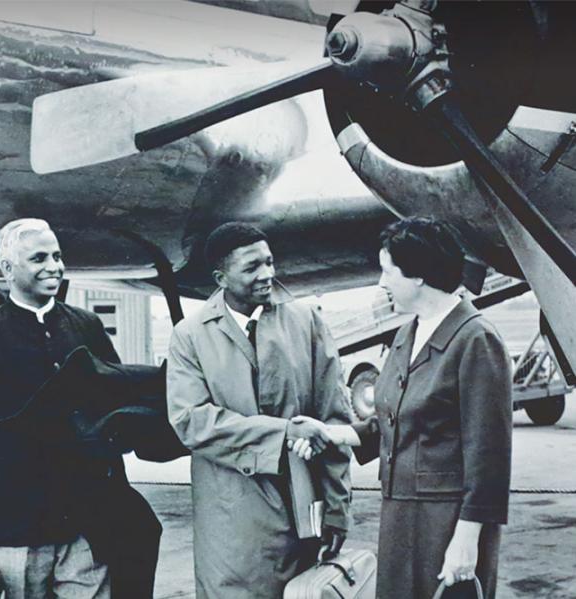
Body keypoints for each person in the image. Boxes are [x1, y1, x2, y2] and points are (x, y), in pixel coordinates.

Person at [292, 217, 513, 599]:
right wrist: (331, 433)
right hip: (400, 515)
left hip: (447, 521)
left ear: (418, 277)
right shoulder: (406, 334)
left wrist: (467, 538)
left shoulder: (476, 339)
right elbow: (394, 419)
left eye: (387, 271)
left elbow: (490, 454)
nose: (381, 282)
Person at [0, 218, 132, 599]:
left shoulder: (85, 326)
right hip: (12, 520)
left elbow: (115, 398)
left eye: (56, 255)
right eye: (39, 258)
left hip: (83, 516)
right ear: (7, 269)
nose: (53, 266)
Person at [166, 222, 353, 599]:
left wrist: (337, 508)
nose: (267, 274)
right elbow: (192, 420)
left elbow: (333, 418)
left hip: (304, 509)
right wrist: (284, 433)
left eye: (269, 262)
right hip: (231, 520)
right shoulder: (190, 336)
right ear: (221, 278)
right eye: (251, 267)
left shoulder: (307, 322)